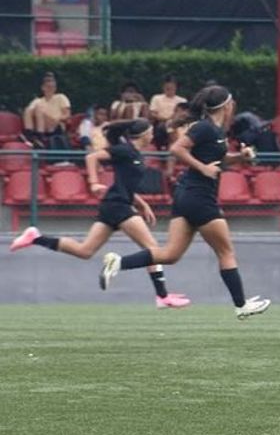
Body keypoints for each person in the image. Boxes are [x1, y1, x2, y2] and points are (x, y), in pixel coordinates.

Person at [98, 86, 271, 320]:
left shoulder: (215, 131)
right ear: (227, 105)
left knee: (170, 254)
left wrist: (241, 157)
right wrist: (202, 168)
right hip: (199, 195)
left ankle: (118, 263)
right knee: (226, 252)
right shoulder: (204, 127)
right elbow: (176, 148)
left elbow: (218, 160)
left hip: (186, 195)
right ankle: (241, 305)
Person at [10, 119, 190, 308]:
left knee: (84, 251)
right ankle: (162, 296)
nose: (152, 135)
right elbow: (92, 157)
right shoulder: (124, 150)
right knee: (153, 249)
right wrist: (93, 183)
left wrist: (142, 203)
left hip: (114, 204)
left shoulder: (134, 153)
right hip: (118, 206)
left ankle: (35, 237)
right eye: (151, 131)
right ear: (143, 134)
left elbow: (125, 184)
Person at [22, 72, 71, 150]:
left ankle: (38, 137)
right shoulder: (38, 100)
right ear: (43, 88)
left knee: (38, 108)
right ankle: (30, 135)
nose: (50, 89)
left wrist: (56, 119)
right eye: (48, 86)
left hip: (56, 125)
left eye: (53, 87)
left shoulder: (61, 97)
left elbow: (67, 115)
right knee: (29, 109)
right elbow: (29, 111)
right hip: (41, 125)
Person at [150, 75, 187, 149]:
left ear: (175, 88)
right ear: (163, 88)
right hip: (161, 122)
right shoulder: (157, 98)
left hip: (177, 122)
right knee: (163, 127)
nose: (169, 90)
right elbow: (153, 114)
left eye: (172, 88)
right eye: (167, 88)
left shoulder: (182, 100)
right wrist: (166, 119)